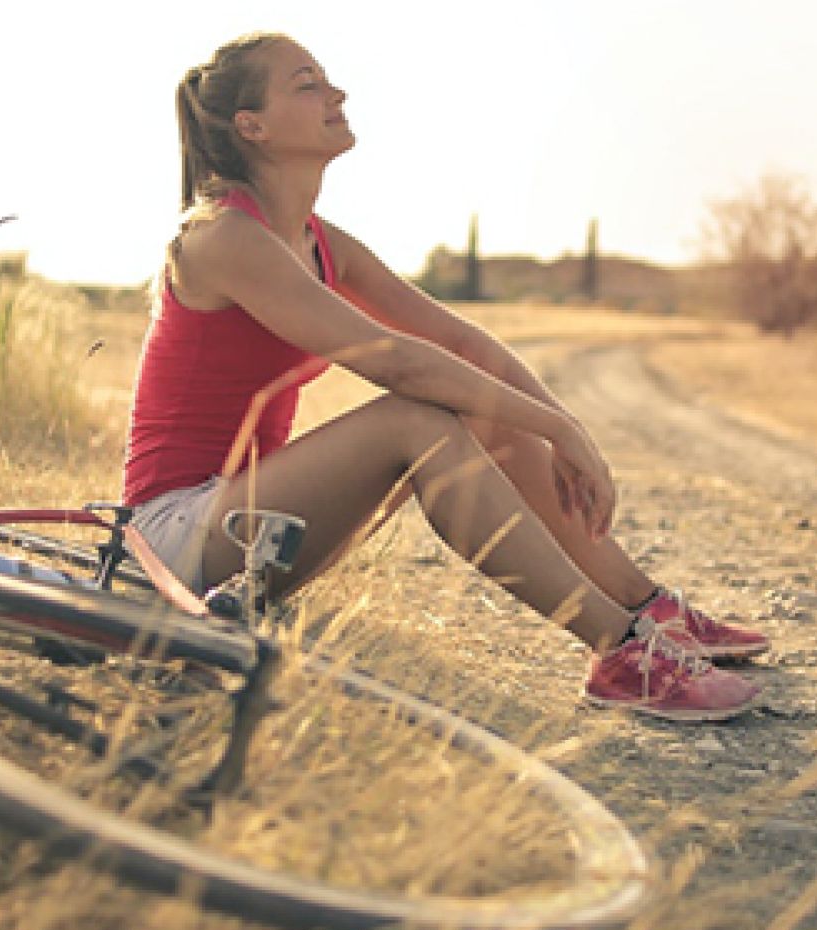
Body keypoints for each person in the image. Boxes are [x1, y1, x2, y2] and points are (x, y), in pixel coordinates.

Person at [123, 32, 769, 722]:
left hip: (258, 532)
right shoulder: (221, 237)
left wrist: (562, 428)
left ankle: (649, 612)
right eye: (307, 83)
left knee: (488, 411)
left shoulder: (317, 240)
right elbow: (392, 358)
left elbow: (458, 339)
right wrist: (553, 426)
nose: (335, 94)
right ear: (252, 126)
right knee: (416, 417)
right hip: (170, 540)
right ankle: (618, 651)